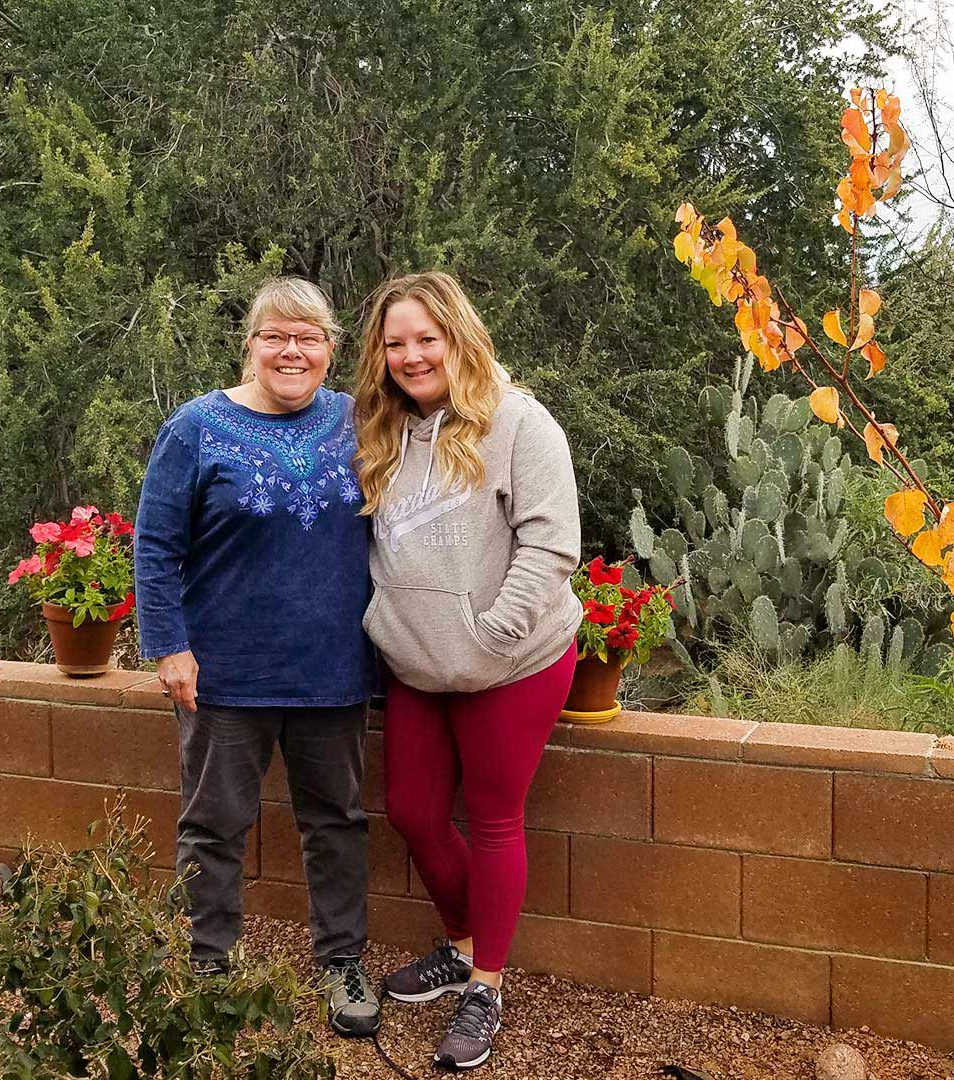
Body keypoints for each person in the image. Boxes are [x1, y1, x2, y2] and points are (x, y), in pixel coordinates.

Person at [134, 276, 381, 1037]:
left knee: (336, 823)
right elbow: (155, 543)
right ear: (250, 345)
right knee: (215, 824)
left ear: (331, 350)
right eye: (276, 335)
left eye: (308, 338)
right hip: (227, 676)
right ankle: (210, 966)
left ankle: (341, 964)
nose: (291, 351)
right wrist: (168, 644)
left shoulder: (359, 421)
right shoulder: (196, 428)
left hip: (334, 671)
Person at [353, 271, 582, 1070]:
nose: (413, 356)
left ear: (458, 337)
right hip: (417, 664)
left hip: (512, 662)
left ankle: (485, 986)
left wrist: (491, 634)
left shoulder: (520, 423)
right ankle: (460, 945)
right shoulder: (379, 433)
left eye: (427, 338)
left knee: (492, 818)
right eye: (396, 343)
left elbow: (551, 545)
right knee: (413, 812)